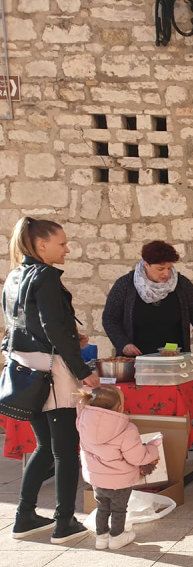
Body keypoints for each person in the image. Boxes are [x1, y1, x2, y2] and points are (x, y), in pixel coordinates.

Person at [3, 217, 99, 544]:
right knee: (65, 450)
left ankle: (25, 517)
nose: (67, 249)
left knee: (46, 446)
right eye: (62, 243)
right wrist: (84, 371)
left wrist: (74, 337)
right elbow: (52, 328)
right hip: (51, 371)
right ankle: (64, 522)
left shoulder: (15, 275)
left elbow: (21, 328)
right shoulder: (44, 276)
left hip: (25, 370)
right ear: (42, 245)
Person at [77, 386, 161, 550]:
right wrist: (153, 447)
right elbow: (137, 457)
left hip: (97, 478)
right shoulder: (127, 429)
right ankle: (117, 536)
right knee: (119, 509)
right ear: (119, 407)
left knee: (102, 507)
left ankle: (101, 538)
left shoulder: (82, 422)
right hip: (120, 479)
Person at [102, 240, 193, 357]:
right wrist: (123, 344)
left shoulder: (182, 283)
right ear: (146, 264)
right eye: (160, 269)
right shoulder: (125, 285)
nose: (166, 274)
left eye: (169, 268)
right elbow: (110, 318)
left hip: (174, 356)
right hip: (137, 359)